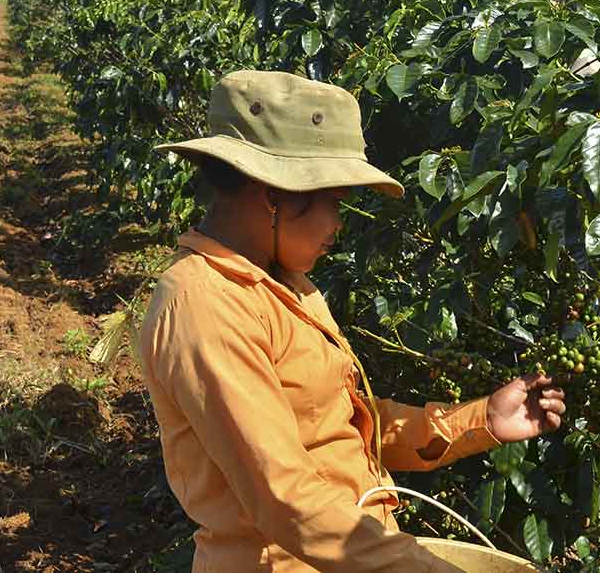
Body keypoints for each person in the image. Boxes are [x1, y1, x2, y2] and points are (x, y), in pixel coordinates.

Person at [138, 70, 566, 572]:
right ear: (273, 194)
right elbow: (286, 500)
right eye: (335, 203)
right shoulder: (205, 305)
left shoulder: (282, 283)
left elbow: (340, 422)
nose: (339, 226)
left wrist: (480, 420)